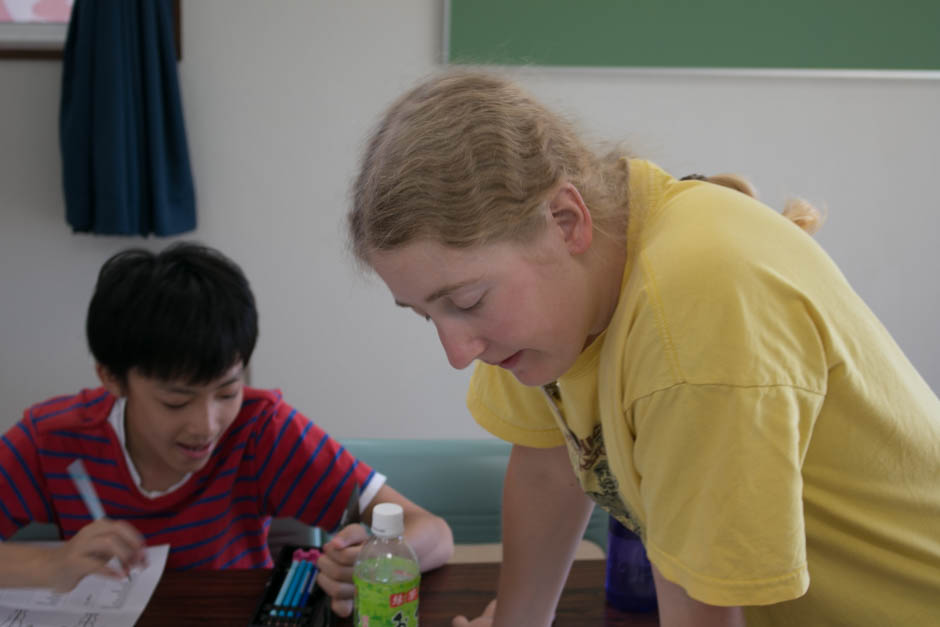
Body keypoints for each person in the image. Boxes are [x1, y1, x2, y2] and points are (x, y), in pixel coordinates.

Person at [347, 70, 940, 627]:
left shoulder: (692, 316)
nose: (458, 350)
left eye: (469, 301)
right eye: (429, 315)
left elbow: (701, 602)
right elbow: (550, 463)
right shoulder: (553, 308)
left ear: (565, 218)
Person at [0, 242, 454, 617]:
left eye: (226, 391)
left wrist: (372, 561)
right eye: (175, 401)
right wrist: (50, 564)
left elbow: (431, 531)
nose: (207, 425)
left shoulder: (261, 432)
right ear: (112, 378)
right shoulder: (54, 440)